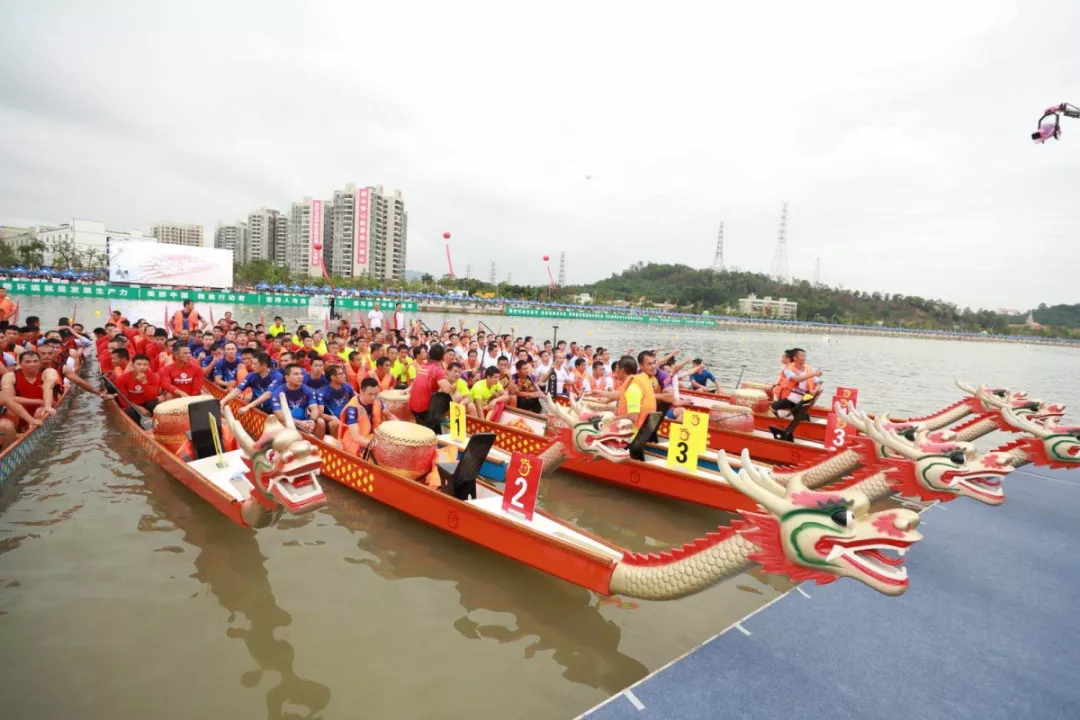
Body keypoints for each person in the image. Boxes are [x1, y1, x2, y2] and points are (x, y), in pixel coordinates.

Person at [408, 343, 453, 434]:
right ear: (443, 357)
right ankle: (439, 428)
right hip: (423, 410)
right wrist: (452, 384)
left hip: (412, 407)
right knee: (446, 398)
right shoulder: (437, 370)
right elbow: (447, 389)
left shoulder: (424, 366)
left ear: (429, 355)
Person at [270, 364, 324, 438]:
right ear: (287, 377)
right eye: (296, 374)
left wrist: (312, 421)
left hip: (305, 421)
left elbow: (314, 408)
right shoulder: (277, 393)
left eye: (301, 374)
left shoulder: (307, 390)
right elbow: (278, 414)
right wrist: (298, 423)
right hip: (287, 422)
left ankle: (315, 443)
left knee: (321, 422)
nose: (300, 376)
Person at [771, 348, 823, 416]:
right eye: (802, 356)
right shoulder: (788, 370)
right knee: (774, 407)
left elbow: (818, 382)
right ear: (795, 358)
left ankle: (789, 414)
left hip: (804, 398)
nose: (804, 358)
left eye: (804, 356)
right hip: (794, 397)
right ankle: (787, 415)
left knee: (775, 406)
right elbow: (797, 379)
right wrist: (814, 374)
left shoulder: (808, 368)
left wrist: (815, 391)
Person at [338, 377, 381, 455]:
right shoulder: (352, 408)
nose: (373, 397)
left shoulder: (375, 401)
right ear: (361, 392)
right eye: (370, 394)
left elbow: (389, 415)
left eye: (375, 394)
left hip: (370, 438)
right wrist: (378, 446)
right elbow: (356, 437)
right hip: (354, 446)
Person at [114, 353, 162, 423]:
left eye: (145, 365)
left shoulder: (154, 377)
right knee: (129, 411)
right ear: (133, 365)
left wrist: (144, 383)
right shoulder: (121, 379)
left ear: (148, 366)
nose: (142, 367)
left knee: (156, 405)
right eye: (139, 364)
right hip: (131, 404)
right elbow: (123, 400)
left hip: (147, 402)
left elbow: (152, 396)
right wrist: (139, 408)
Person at [320, 365, 355, 438]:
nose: (344, 376)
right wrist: (332, 418)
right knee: (333, 423)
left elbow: (355, 401)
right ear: (333, 377)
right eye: (341, 374)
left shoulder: (347, 387)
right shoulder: (323, 392)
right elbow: (320, 414)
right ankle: (337, 443)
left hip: (347, 418)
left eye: (343, 373)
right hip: (334, 422)